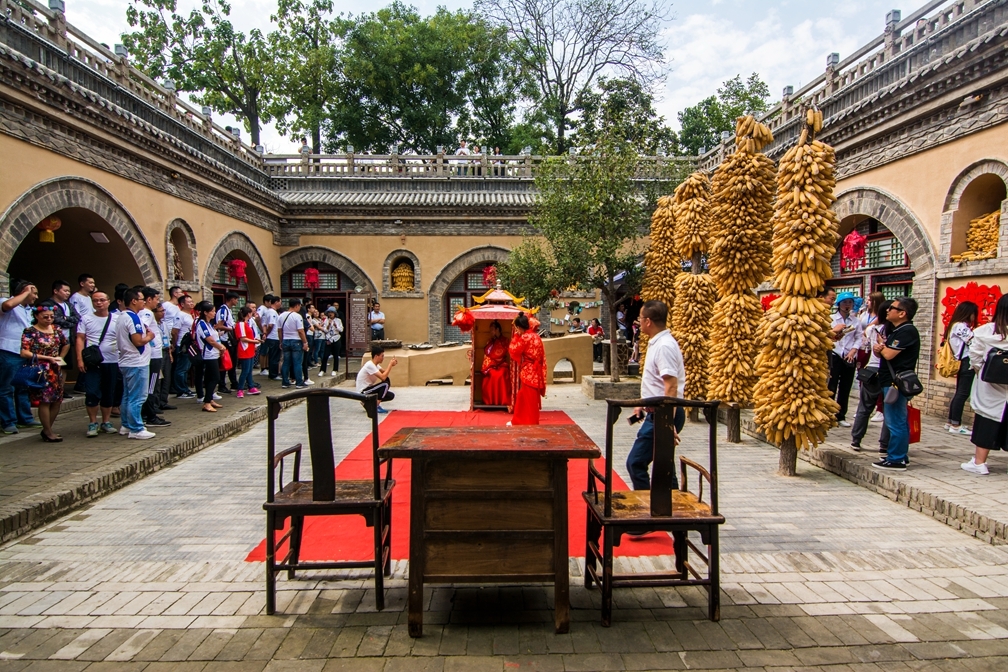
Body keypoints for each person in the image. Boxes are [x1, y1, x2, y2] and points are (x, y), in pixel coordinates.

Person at [625, 300, 686, 490]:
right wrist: (642, 404)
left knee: (636, 463)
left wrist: (668, 421)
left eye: (640, 319)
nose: (638, 322)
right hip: (655, 411)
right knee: (664, 464)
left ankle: (647, 503)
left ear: (649, 321)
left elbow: (670, 387)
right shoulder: (658, 343)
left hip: (662, 413)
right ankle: (673, 505)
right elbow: (656, 383)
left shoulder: (664, 346)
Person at [872, 296, 920, 471]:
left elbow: (890, 355)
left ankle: (896, 458)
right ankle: (900, 455)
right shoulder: (896, 330)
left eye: (892, 308)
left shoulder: (907, 331)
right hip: (889, 380)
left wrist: (881, 346)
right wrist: (880, 349)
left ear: (902, 313)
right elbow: (886, 353)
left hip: (895, 383)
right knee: (896, 419)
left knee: (895, 421)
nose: (887, 310)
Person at [20, 304, 69, 442]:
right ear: (37, 316)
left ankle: (47, 429)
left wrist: (60, 357)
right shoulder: (30, 331)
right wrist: (46, 358)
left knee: (57, 400)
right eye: (45, 317)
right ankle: (48, 431)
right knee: (45, 400)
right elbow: (24, 352)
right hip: (40, 370)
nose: (49, 319)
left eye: (52, 317)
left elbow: (66, 343)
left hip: (55, 369)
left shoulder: (56, 329)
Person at [76, 291, 119, 437]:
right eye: (95, 301)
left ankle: (106, 421)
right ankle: (92, 422)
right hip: (93, 361)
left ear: (108, 301)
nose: (99, 303)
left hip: (112, 360)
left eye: (102, 300)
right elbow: (80, 338)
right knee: (92, 392)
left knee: (108, 392)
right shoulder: (86, 318)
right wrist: (80, 359)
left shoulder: (117, 318)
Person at [116, 287, 157, 440]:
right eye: (141, 299)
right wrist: (150, 336)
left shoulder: (121, 316)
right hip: (136, 362)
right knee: (138, 396)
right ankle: (136, 428)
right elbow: (138, 340)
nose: (143, 302)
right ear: (133, 301)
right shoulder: (133, 318)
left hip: (127, 361)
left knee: (127, 395)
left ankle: (126, 424)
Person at [0, 281, 40, 434]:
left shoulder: (29, 310)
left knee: (23, 386)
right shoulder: (6, 302)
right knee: (6, 388)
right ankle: (8, 421)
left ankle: (25, 418)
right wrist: (25, 293)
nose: (36, 297)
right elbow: (8, 306)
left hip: (26, 352)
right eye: (33, 293)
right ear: (24, 291)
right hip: (9, 351)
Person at [850, 300, 890, 451]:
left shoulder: (873, 329)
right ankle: (884, 444)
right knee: (888, 410)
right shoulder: (891, 331)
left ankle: (856, 439)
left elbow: (866, 333)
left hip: (871, 369)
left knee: (864, 407)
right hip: (884, 372)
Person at [828, 292, 863, 427]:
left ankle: (841, 415)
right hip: (835, 354)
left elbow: (859, 337)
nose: (847, 305)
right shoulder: (832, 319)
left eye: (850, 303)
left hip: (849, 356)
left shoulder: (856, 321)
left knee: (845, 386)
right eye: (844, 302)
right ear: (839, 304)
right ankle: (829, 414)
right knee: (831, 385)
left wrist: (854, 350)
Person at [945, 301, 979, 435]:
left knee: (959, 392)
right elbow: (973, 341)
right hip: (966, 361)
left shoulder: (955, 325)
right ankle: (956, 424)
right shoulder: (960, 326)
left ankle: (951, 422)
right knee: (963, 393)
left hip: (962, 361)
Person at [508, 312, 546, 425]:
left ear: (519, 327)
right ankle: (532, 420)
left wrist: (515, 337)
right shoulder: (536, 336)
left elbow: (513, 350)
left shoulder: (524, 337)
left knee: (525, 397)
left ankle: (523, 420)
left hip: (528, 370)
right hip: (536, 370)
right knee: (531, 398)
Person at [138, 290, 169, 428]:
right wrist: (150, 339)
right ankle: (150, 415)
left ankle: (147, 413)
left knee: (151, 385)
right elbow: (143, 327)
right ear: (149, 299)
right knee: (151, 386)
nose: (157, 302)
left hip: (153, 354)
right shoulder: (147, 312)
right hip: (153, 355)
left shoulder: (143, 312)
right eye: (156, 299)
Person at [194, 301, 226, 412]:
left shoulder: (209, 324)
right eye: (212, 311)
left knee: (209, 378)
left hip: (214, 354)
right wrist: (221, 347)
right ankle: (207, 402)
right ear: (206, 312)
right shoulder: (202, 324)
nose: (214, 313)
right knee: (215, 377)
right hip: (209, 354)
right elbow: (210, 340)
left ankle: (210, 398)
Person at [356, 344, 397, 412]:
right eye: (382, 356)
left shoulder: (376, 365)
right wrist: (390, 365)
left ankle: (368, 403)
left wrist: (393, 364)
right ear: (376, 356)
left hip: (368, 390)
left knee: (390, 395)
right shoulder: (370, 365)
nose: (383, 358)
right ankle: (375, 405)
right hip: (363, 392)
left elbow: (384, 373)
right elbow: (383, 377)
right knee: (385, 384)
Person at [278, 297, 309, 389]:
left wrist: (281, 341)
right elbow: (300, 331)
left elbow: (279, 330)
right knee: (297, 363)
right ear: (297, 305)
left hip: (285, 340)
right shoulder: (297, 316)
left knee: (286, 362)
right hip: (296, 340)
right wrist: (305, 342)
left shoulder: (281, 315)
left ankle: (285, 382)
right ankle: (299, 382)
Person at [480, 320, 511, 406]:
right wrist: (490, 364)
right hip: (492, 365)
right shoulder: (490, 341)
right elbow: (487, 354)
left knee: (501, 374)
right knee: (489, 374)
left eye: (492, 329)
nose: (491, 331)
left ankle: (502, 401)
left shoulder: (505, 340)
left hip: (501, 365)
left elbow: (501, 352)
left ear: (497, 329)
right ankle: (489, 401)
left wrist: (495, 361)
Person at [215, 291, 240, 394]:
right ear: (232, 299)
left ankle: (234, 382)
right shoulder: (223, 310)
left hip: (230, 340)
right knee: (225, 363)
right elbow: (218, 325)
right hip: (225, 340)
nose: (237, 301)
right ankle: (222, 384)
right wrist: (230, 328)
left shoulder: (228, 310)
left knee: (232, 363)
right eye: (236, 299)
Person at [234, 305, 261, 398]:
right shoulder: (241, 324)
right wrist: (255, 341)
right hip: (244, 349)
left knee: (249, 370)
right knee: (245, 370)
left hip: (250, 348)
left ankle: (251, 386)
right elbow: (243, 338)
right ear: (248, 314)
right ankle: (240, 389)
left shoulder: (246, 323)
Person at [173, 295, 195, 398]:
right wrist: (175, 344)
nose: (191, 303)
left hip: (189, 345)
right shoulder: (180, 315)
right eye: (189, 302)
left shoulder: (190, 315)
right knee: (181, 369)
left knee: (186, 368)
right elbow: (175, 332)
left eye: (192, 301)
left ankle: (185, 389)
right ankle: (181, 390)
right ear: (182, 304)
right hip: (182, 346)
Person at [319, 306, 343, 376]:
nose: (330, 314)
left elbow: (341, 330)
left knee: (336, 355)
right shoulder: (326, 320)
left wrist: (336, 326)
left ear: (335, 313)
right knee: (325, 355)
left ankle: (335, 369)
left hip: (336, 338)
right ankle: (322, 370)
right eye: (329, 312)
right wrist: (328, 325)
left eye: (332, 312)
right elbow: (325, 330)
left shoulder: (338, 320)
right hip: (329, 339)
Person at [262, 295, 281, 380]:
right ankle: (273, 374)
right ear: (276, 302)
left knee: (273, 356)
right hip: (273, 337)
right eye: (280, 302)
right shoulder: (272, 312)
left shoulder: (269, 312)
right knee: (274, 356)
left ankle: (273, 373)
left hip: (272, 337)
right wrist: (266, 333)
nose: (280, 304)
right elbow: (270, 325)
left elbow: (265, 324)